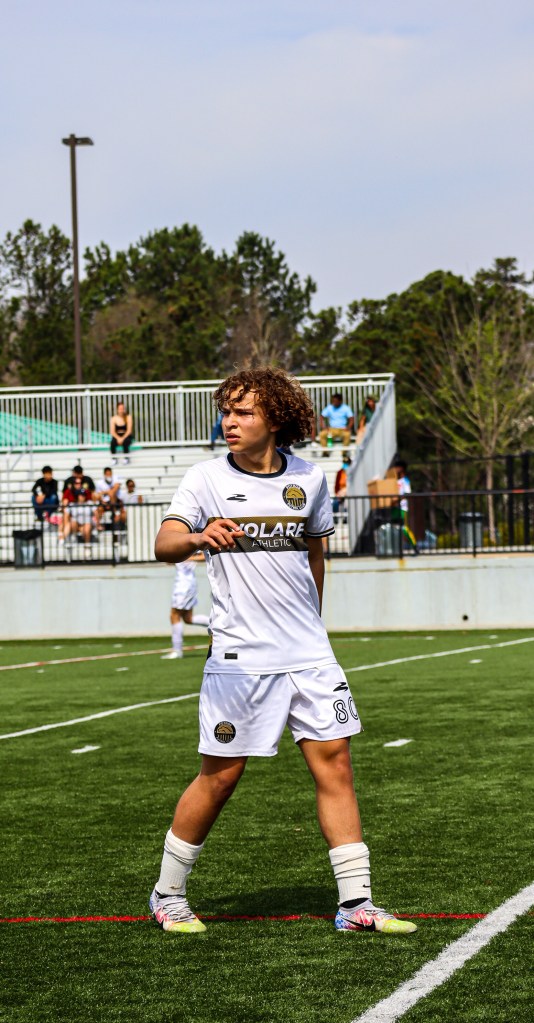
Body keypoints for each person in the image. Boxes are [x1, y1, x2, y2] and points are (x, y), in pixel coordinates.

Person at [149, 366, 416, 937]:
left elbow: (316, 556)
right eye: (226, 411)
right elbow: (164, 542)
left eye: (243, 411)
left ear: (275, 418)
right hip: (241, 660)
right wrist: (197, 536)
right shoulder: (204, 478)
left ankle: (356, 904)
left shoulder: (310, 480)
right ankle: (167, 894)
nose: (230, 421)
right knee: (221, 777)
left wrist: (313, 625)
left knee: (336, 763)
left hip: (310, 654)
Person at [161, 555, 210, 660]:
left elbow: (205, 555)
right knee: (188, 618)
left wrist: (189, 558)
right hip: (184, 582)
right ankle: (215, 624)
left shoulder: (191, 545)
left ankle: (177, 651)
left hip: (184, 585)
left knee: (174, 615)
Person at [333, 453, 351, 519]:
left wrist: (346, 491)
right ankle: (335, 520)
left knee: (347, 504)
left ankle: (345, 520)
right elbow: (336, 485)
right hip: (340, 493)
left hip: (348, 493)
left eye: (346, 463)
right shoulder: (339, 472)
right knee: (335, 503)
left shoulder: (351, 472)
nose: (345, 464)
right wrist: (337, 493)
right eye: (344, 463)